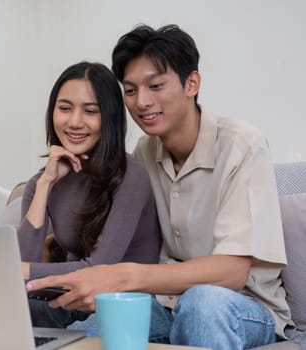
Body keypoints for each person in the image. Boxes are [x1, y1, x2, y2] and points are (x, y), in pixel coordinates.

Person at [26, 25, 293, 349]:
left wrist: (126, 276)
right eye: (131, 90)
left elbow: (232, 271)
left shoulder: (241, 145)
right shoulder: (144, 154)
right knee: (91, 332)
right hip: (163, 303)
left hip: (242, 306)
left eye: (155, 86)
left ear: (191, 83)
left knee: (202, 304)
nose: (142, 102)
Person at [19, 61, 162, 328]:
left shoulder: (132, 174)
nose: (74, 122)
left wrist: (23, 271)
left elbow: (100, 268)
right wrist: (45, 183)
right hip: (73, 303)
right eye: (64, 109)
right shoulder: (44, 179)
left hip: (127, 308)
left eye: (90, 111)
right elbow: (24, 262)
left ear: (108, 119)